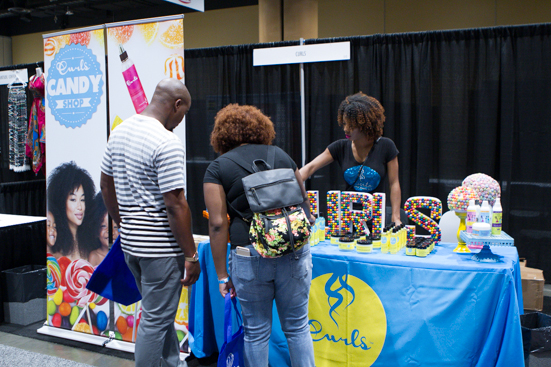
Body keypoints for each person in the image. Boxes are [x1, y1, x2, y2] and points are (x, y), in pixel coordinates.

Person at [203, 104, 315, 367]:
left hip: (249, 255)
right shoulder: (282, 156)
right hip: (294, 251)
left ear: (222, 134)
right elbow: (305, 203)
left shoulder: (218, 168)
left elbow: (217, 224)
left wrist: (222, 275)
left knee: (256, 332)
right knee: (298, 328)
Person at [100, 78, 200, 367]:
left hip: (131, 246)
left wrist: (124, 222)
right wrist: (191, 255)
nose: (181, 122)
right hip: (160, 250)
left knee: (159, 314)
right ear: (176, 105)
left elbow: (106, 186)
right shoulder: (166, 141)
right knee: (155, 321)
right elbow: (176, 203)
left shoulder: (118, 132)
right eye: (183, 114)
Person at [300, 92, 403, 225]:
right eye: (344, 124)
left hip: (376, 218)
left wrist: (396, 217)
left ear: (365, 124)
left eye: (351, 126)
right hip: (349, 217)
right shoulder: (340, 147)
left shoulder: (386, 146)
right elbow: (310, 167)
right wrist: (290, 182)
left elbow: (394, 183)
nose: (346, 129)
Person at [47, 161, 96, 260]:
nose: (80, 207)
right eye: (73, 199)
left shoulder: (91, 242)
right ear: (61, 202)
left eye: (82, 200)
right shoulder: (54, 242)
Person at [87, 192, 110, 267]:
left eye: (115, 227)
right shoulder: (94, 256)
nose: (109, 231)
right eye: (103, 226)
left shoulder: (124, 255)